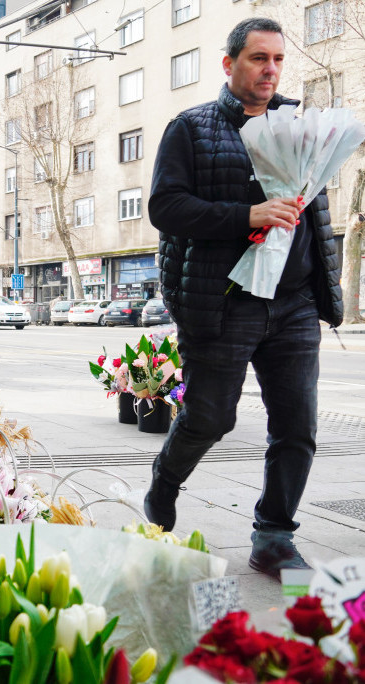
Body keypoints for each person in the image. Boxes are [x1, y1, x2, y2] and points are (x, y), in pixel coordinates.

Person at [144, 17, 343, 578]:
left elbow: (316, 215)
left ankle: (274, 535)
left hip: (295, 302)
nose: (271, 69)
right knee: (210, 418)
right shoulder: (191, 128)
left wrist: (326, 287)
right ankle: (164, 482)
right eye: (259, 58)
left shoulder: (301, 126)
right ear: (229, 64)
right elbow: (166, 209)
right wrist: (245, 215)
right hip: (224, 300)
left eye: (278, 59)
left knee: (297, 425)